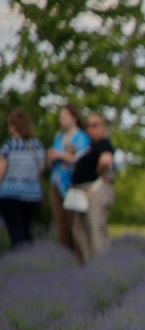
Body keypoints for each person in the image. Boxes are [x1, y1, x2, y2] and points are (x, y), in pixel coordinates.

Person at [66, 112, 115, 263]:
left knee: (95, 230)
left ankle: (101, 266)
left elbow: (106, 160)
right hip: (81, 192)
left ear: (103, 127)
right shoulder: (89, 147)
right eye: (88, 126)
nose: (90, 129)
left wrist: (98, 173)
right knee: (80, 231)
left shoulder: (104, 144)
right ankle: (90, 266)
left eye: (95, 125)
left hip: (94, 191)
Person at [47, 105, 90, 254]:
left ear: (73, 118)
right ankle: (65, 260)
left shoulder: (82, 138)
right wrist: (52, 157)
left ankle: (79, 260)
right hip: (56, 183)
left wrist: (60, 155)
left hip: (74, 186)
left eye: (64, 116)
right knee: (61, 226)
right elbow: (52, 159)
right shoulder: (59, 137)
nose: (61, 119)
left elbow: (80, 159)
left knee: (75, 226)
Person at [0, 109, 45, 248]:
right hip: (32, 195)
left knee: (15, 232)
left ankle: (18, 261)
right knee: (26, 231)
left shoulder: (9, 146)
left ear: (14, 126)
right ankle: (27, 259)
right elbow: (41, 169)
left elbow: (1, 171)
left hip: (10, 194)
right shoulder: (36, 145)